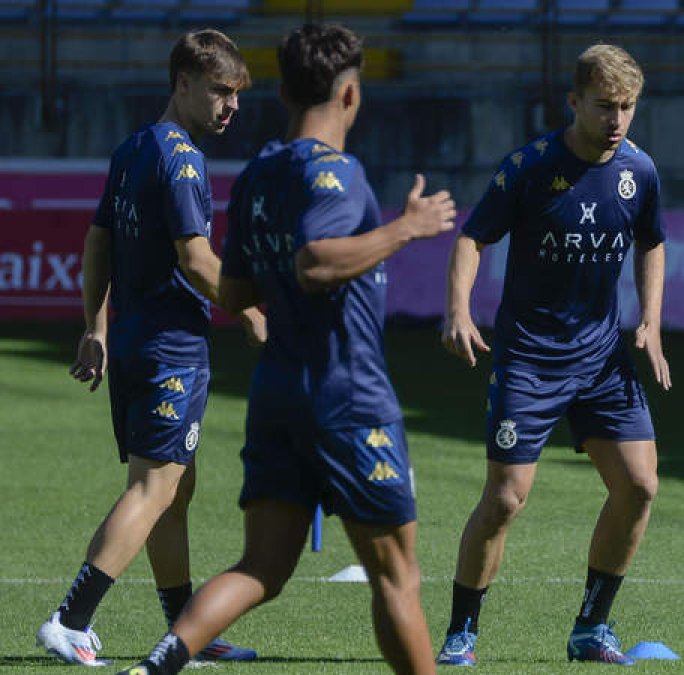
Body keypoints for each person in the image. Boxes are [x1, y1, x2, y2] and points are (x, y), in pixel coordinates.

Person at [114, 23, 455, 675]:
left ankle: (154, 666)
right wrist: (406, 228)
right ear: (350, 95)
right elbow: (315, 261)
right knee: (398, 577)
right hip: (348, 397)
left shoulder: (258, 173)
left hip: (275, 396)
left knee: (261, 568)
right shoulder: (339, 173)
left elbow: (236, 285)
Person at [437, 43, 670, 667]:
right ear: (573, 102)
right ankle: (462, 631)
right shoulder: (530, 167)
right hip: (531, 357)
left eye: (627, 107)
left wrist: (650, 319)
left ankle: (591, 627)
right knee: (506, 499)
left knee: (641, 485)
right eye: (604, 107)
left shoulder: (640, 171)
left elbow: (652, 242)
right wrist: (459, 310)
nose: (617, 119)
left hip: (601, 356)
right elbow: (472, 238)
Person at [36, 29, 264, 667]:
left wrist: (96, 326)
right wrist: (249, 308)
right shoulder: (182, 159)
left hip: (134, 345)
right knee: (154, 487)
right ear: (183, 83)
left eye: (238, 95)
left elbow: (97, 242)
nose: (232, 106)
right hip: (171, 348)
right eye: (221, 91)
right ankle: (70, 619)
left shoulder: (133, 147)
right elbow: (196, 259)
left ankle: (183, 633)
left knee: (176, 488)